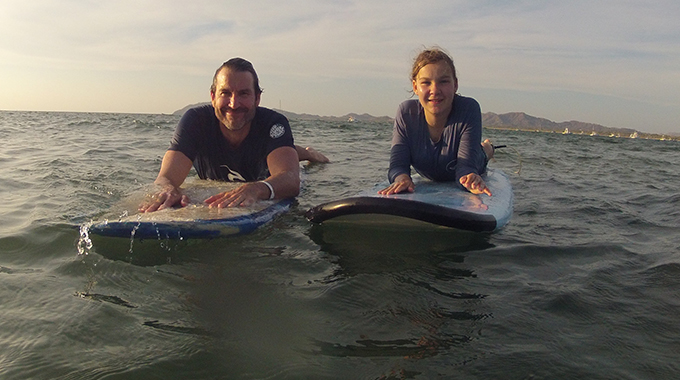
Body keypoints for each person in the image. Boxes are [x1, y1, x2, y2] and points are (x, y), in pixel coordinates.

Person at [140, 57, 327, 213]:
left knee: (288, 153)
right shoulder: (195, 121)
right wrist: (168, 190)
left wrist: (257, 188)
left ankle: (309, 153)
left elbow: (291, 179)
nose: (234, 103)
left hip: (270, 159)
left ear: (257, 98)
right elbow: (166, 178)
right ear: (213, 97)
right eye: (225, 93)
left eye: (244, 93)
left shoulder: (273, 123)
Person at [378, 48, 495, 197]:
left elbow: (465, 167)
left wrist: (469, 179)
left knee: (482, 153)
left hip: (471, 160)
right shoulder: (406, 113)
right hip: (431, 169)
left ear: (455, 85)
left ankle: (488, 148)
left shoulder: (468, 109)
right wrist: (402, 179)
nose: (435, 90)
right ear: (415, 86)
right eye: (426, 82)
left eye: (444, 81)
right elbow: (397, 166)